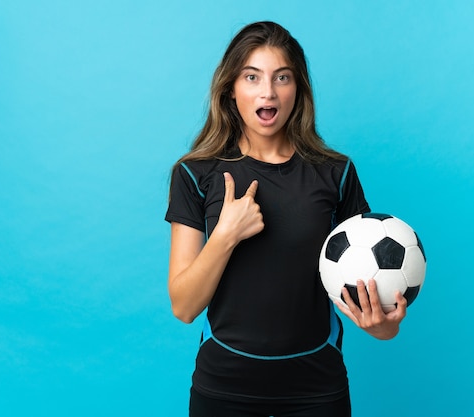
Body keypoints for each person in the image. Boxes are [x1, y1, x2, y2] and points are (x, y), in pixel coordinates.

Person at [165, 21, 407, 417]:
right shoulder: (195, 174)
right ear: (230, 89)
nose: (268, 91)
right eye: (251, 76)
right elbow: (185, 307)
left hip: (317, 388)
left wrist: (383, 326)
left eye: (282, 77)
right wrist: (226, 234)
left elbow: (369, 287)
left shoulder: (336, 173)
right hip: (224, 389)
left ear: (298, 89)